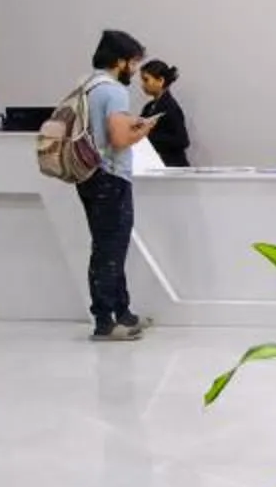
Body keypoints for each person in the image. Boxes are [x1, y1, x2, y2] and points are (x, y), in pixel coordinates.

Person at [80, 29, 158, 341]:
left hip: (90, 176)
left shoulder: (89, 86)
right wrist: (144, 129)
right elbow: (119, 139)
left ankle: (123, 312)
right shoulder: (113, 91)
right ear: (121, 61)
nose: (136, 70)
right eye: (134, 62)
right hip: (110, 176)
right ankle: (105, 320)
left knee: (110, 247)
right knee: (110, 249)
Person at [138, 59, 192, 168]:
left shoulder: (171, 108)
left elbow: (182, 140)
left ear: (160, 80)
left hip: (172, 167)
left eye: (146, 80)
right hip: (157, 165)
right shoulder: (148, 107)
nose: (142, 85)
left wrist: (148, 136)